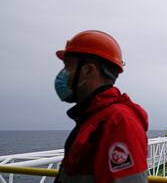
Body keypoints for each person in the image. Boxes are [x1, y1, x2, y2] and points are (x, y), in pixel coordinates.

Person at [53, 30, 148, 183]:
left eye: (68, 67)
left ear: (89, 70)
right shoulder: (93, 118)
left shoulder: (119, 122)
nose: (63, 75)